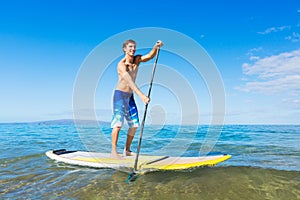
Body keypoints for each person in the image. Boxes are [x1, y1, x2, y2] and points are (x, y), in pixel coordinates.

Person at [110, 39, 163, 159]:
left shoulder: (137, 60)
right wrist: (142, 96)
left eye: (134, 47)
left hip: (130, 96)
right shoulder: (121, 65)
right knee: (117, 124)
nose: (133, 49)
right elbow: (129, 81)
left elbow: (149, 56)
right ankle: (113, 151)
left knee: (134, 125)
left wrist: (156, 47)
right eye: (130, 47)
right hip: (120, 95)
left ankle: (127, 150)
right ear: (124, 49)